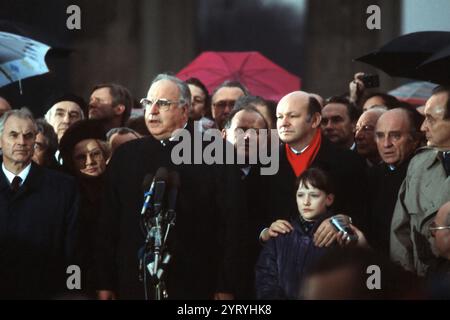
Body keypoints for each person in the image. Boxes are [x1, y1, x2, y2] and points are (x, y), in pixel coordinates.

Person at [95, 74, 243, 300]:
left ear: (185, 111)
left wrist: (226, 285)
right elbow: (108, 223)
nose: (152, 111)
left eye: (162, 104)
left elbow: (231, 225)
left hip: (197, 284)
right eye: (148, 103)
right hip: (134, 284)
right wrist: (105, 281)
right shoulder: (126, 155)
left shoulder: (217, 153)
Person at [260, 91, 367, 246]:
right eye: (280, 117)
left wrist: (344, 221)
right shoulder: (265, 161)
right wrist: (265, 232)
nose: (284, 123)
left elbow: (363, 213)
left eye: (293, 116)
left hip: (330, 260)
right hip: (279, 260)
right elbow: (251, 213)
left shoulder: (349, 162)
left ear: (315, 119)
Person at [0, 108, 79, 299]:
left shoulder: (64, 187)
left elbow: (74, 249)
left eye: (28, 136)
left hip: (46, 292)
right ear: (0, 140)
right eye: (13, 135)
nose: (21, 142)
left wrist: (73, 291)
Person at [391, 86, 450, 276]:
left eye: (431, 119)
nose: (423, 127)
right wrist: (406, 285)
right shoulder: (419, 165)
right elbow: (401, 231)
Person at [255, 168, 336, 299]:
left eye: (314, 195)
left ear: (329, 199)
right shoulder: (281, 233)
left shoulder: (337, 235)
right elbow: (265, 279)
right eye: (301, 195)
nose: (306, 201)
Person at [59, 119, 109, 296]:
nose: (90, 162)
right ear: (71, 162)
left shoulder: (118, 190)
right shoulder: (65, 195)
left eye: (95, 154)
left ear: (105, 154)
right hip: (77, 280)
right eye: (81, 157)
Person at [366, 108, 421, 256]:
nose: (386, 144)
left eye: (395, 136)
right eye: (380, 136)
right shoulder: (370, 176)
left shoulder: (423, 176)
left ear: (415, 140)